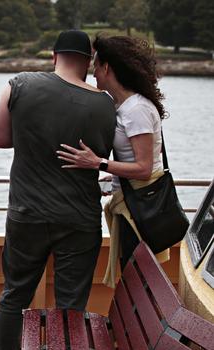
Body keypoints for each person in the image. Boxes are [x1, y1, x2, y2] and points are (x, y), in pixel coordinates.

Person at [0, 30, 116, 350]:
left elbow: (1, 139)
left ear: (53, 56)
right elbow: (105, 153)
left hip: (27, 213)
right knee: (71, 307)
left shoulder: (19, 84)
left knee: (14, 296)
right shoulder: (105, 103)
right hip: (79, 218)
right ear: (89, 62)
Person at [57, 35, 170, 287]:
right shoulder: (126, 106)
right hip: (130, 204)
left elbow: (142, 169)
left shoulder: (136, 109)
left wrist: (98, 163)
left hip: (138, 211)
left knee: (136, 282)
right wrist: (114, 174)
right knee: (133, 281)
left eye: (95, 66)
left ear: (107, 67)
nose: (92, 72)